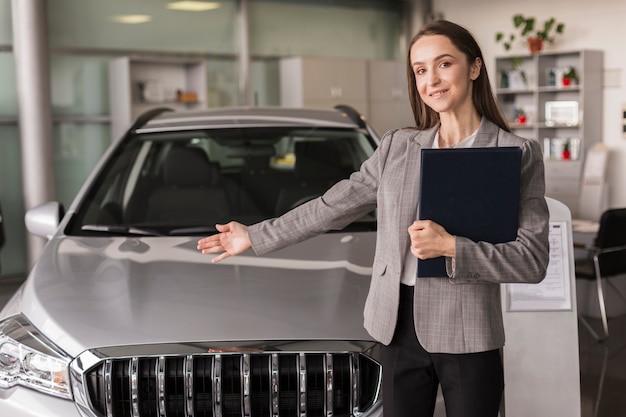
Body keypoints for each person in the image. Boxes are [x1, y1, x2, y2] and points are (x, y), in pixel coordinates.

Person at [197, 19, 549, 417]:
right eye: (420, 70)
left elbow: (532, 260)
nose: (431, 79)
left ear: (474, 67)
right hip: (394, 326)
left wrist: (452, 247)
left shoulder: (515, 152)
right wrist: (256, 236)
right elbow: (332, 206)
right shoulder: (397, 146)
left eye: (444, 64)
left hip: (468, 333)